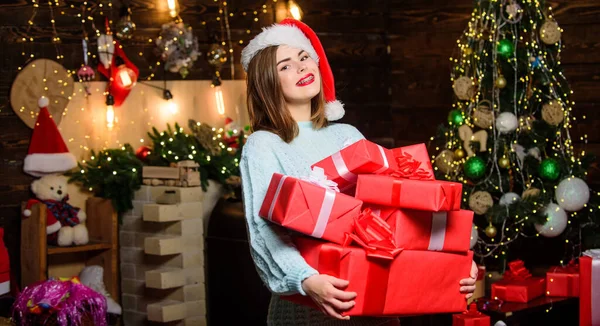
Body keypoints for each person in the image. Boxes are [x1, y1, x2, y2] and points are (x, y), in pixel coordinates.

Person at [239, 19, 477, 325]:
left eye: (304, 57)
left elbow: (397, 214)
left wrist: (455, 261)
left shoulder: (349, 136)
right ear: (266, 81)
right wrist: (306, 280)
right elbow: (264, 232)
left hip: (376, 303)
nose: (300, 68)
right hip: (310, 309)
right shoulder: (263, 145)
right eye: (284, 66)